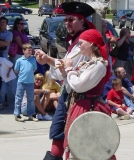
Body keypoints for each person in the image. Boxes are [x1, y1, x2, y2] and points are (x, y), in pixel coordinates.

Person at [35, 2, 98, 159]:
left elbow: (69, 71)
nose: (67, 23)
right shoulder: (74, 41)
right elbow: (63, 70)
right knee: (58, 132)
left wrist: (49, 60)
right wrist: (49, 60)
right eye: (66, 20)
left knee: (75, 140)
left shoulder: (83, 44)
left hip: (77, 98)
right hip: (68, 93)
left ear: (82, 21)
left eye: (71, 19)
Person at [57, 29, 114, 160]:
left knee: (93, 147)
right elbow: (72, 85)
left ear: (92, 44)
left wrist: (70, 69)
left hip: (90, 108)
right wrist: (65, 73)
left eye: (81, 43)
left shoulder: (99, 65)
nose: (79, 46)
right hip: (81, 106)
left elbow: (79, 86)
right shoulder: (88, 64)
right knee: (78, 146)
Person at [14, 43, 38, 122]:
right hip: (21, 81)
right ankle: (17, 114)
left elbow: (34, 69)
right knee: (18, 98)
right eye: (28, 50)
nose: (30, 51)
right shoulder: (19, 60)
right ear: (24, 51)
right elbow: (16, 70)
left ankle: (31, 114)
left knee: (30, 99)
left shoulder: (33, 60)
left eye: (31, 50)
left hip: (30, 82)